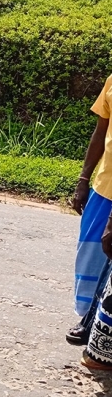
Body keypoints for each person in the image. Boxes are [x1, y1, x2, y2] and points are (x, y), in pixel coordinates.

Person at [66, 73, 112, 360]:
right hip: (103, 187)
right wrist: (83, 180)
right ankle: (88, 317)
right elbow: (100, 131)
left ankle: (100, 325)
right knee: (91, 256)